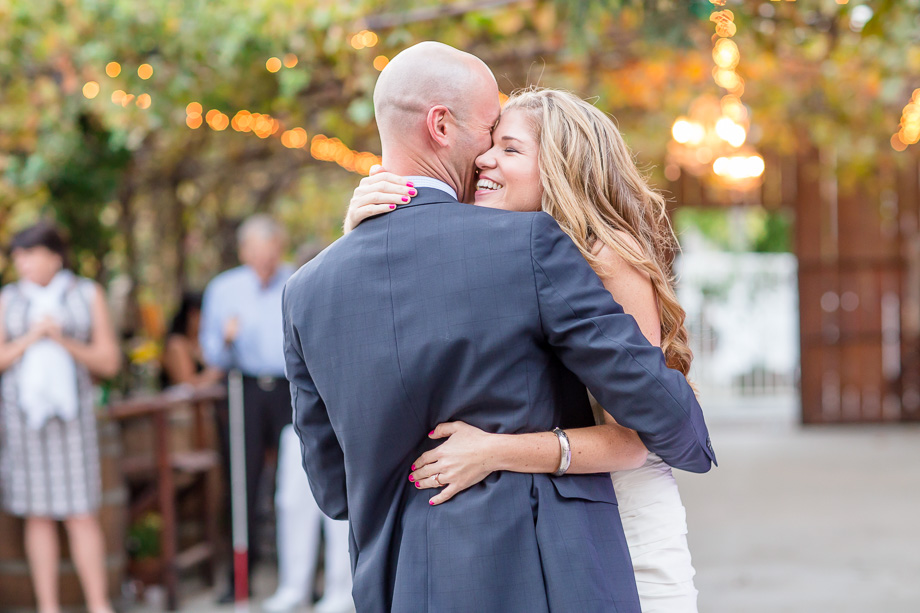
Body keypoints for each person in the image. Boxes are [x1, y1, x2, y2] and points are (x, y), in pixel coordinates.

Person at [282, 41, 714, 613]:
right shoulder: (526, 249)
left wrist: (495, 451)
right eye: (490, 134)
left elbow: (336, 488)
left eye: (507, 147)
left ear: (559, 168)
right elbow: (672, 420)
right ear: (441, 125)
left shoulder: (307, 289)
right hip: (549, 563)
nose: (486, 157)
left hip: (419, 577)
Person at [0, 221, 120, 613]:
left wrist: (61, 340)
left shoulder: (86, 294)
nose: (23, 264)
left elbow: (109, 362)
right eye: (18, 257)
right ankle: (48, 607)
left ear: (53, 255)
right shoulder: (8, 299)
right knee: (37, 516)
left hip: (75, 417)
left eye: (30, 254)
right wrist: (32, 338)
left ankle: (98, 605)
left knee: (82, 513)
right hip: (22, 420)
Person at [199, 214, 296, 602]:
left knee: (299, 481)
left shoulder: (298, 278)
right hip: (246, 388)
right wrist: (225, 338)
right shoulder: (224, 289)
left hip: (291, 388)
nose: (265, 263)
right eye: (257, 255)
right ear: (244, 253)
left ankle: (301, 576)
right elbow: (209, 353)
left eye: (271, 255)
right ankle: (240, 578)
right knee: (243, 479)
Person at [263, 241, 355, 613]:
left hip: (344, 423)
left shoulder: (349, 304)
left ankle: (340, 590)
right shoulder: (291, 301)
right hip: (296, 421)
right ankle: (293, 586)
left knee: (340, 510)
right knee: (292, 504)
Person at [160, 291, 223, 388]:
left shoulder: (202, 342)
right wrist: (215, 374)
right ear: (192, 315)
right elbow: (186, 385)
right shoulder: (176, 344)